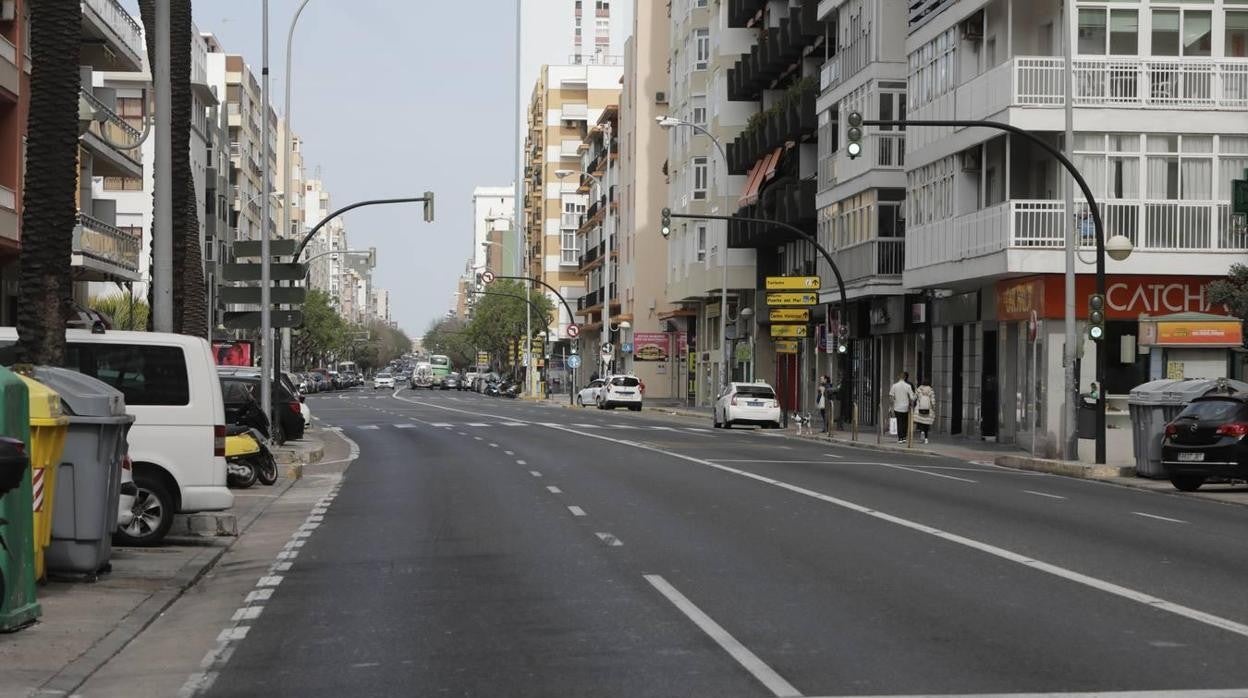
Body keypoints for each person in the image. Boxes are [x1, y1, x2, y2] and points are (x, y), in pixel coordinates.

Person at [889, 372, 916, 444]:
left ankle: (900, 438)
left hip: (897, 406)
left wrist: (891, 406)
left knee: (899, 422)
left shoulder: (894, 386)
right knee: (905, 422)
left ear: (899, 377)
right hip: (905, 407)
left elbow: (891, 397)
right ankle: (904, 437)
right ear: (905, 377)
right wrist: (914, 399)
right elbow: (912, 397)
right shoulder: (908, 386)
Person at [913, 378, 936, 444]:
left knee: (920, 422)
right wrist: (934, 408)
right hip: (928, 409)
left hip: (919, 409)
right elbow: (933, 400)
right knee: (926, 424)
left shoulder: (919, 389)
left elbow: (914, 398)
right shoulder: (931, 390)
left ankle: (921, 431)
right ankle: (926, 439)